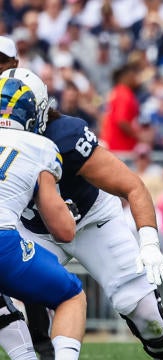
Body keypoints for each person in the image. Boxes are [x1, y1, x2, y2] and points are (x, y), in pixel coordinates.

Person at [0, 65, 163, 360]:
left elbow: (133, 186)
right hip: (33, 229)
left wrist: (148, 243)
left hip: (92, 221)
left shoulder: (66, 136)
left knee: (145, 313)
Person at [0, 77, 86, 360]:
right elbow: (63, 231)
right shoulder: (40, 147)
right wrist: (67, 212)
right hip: (2, 240)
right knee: (71, 295)